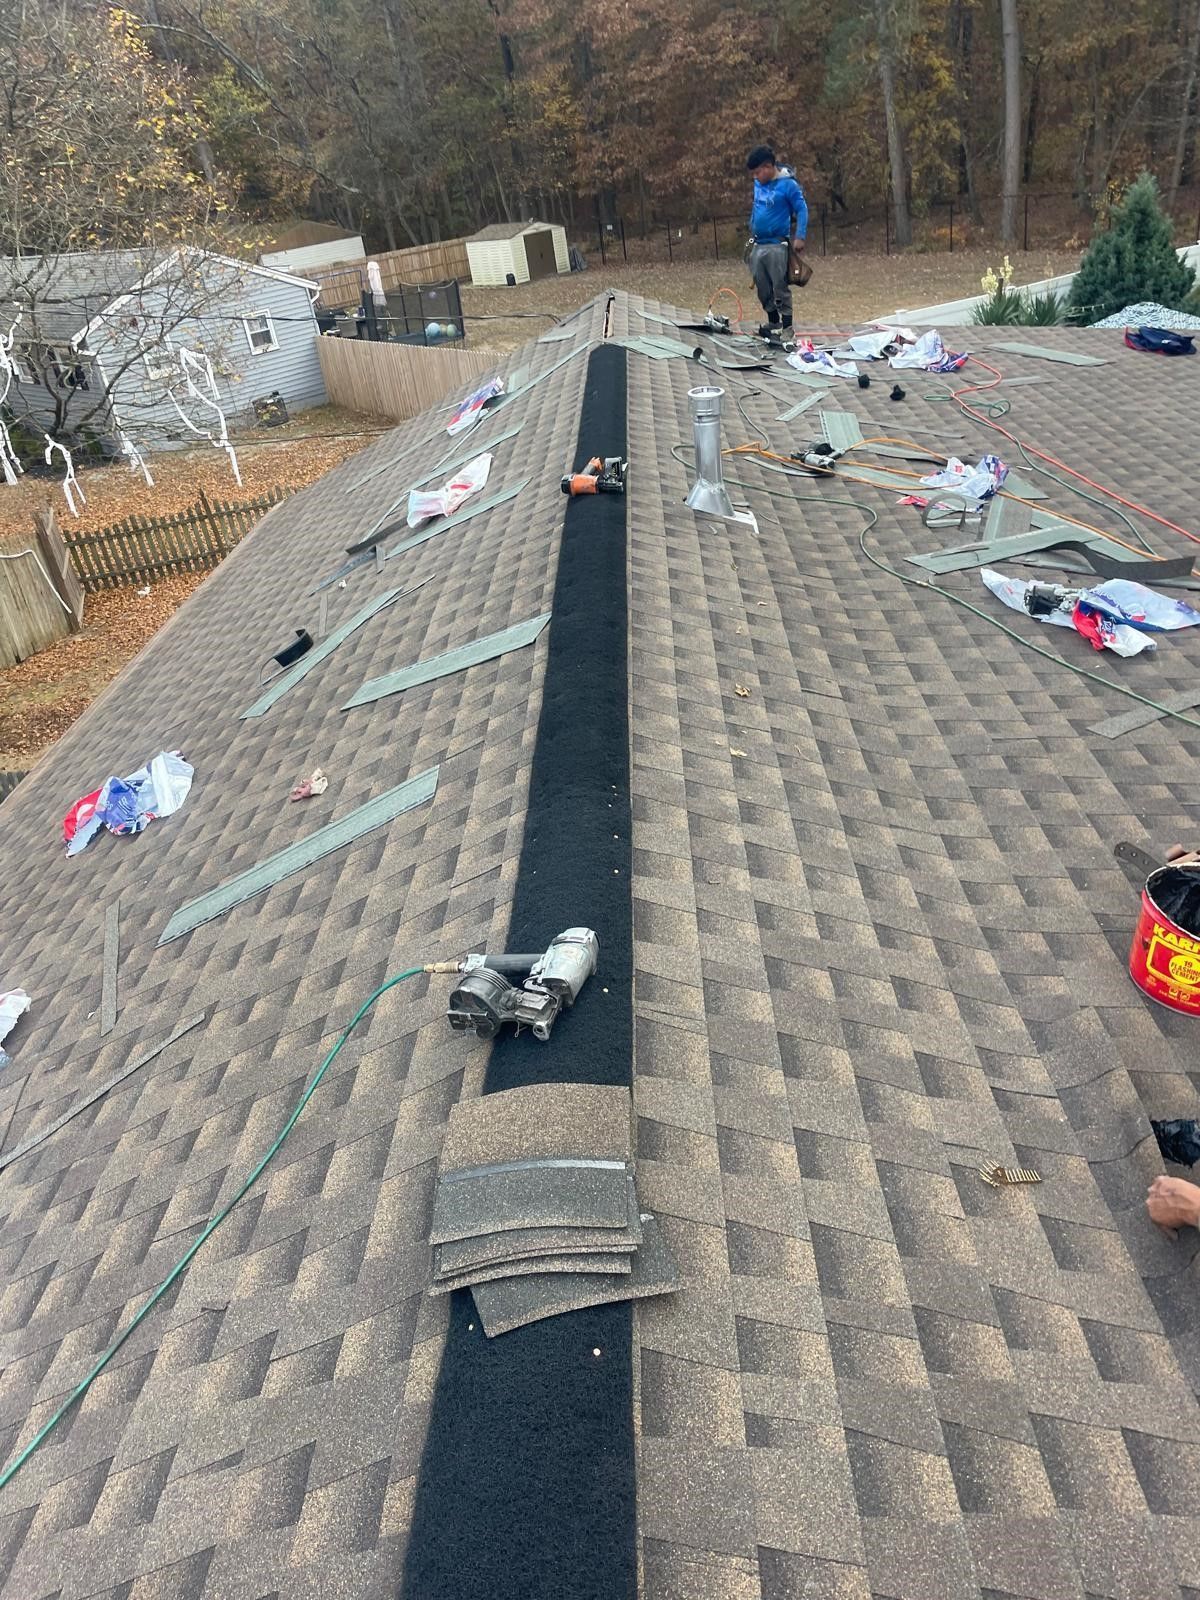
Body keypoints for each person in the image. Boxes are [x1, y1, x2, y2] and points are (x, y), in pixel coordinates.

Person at [745, 145, 808, 337]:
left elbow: (802, 209)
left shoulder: (788, 185)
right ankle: (773, 322)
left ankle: (787, 326)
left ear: (768, 167)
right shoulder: (758, 184)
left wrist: (800, 236)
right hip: (758, 243)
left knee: (779, 286)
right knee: (762, 285)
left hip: (777, 244)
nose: (755, 177)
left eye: (757, 172)